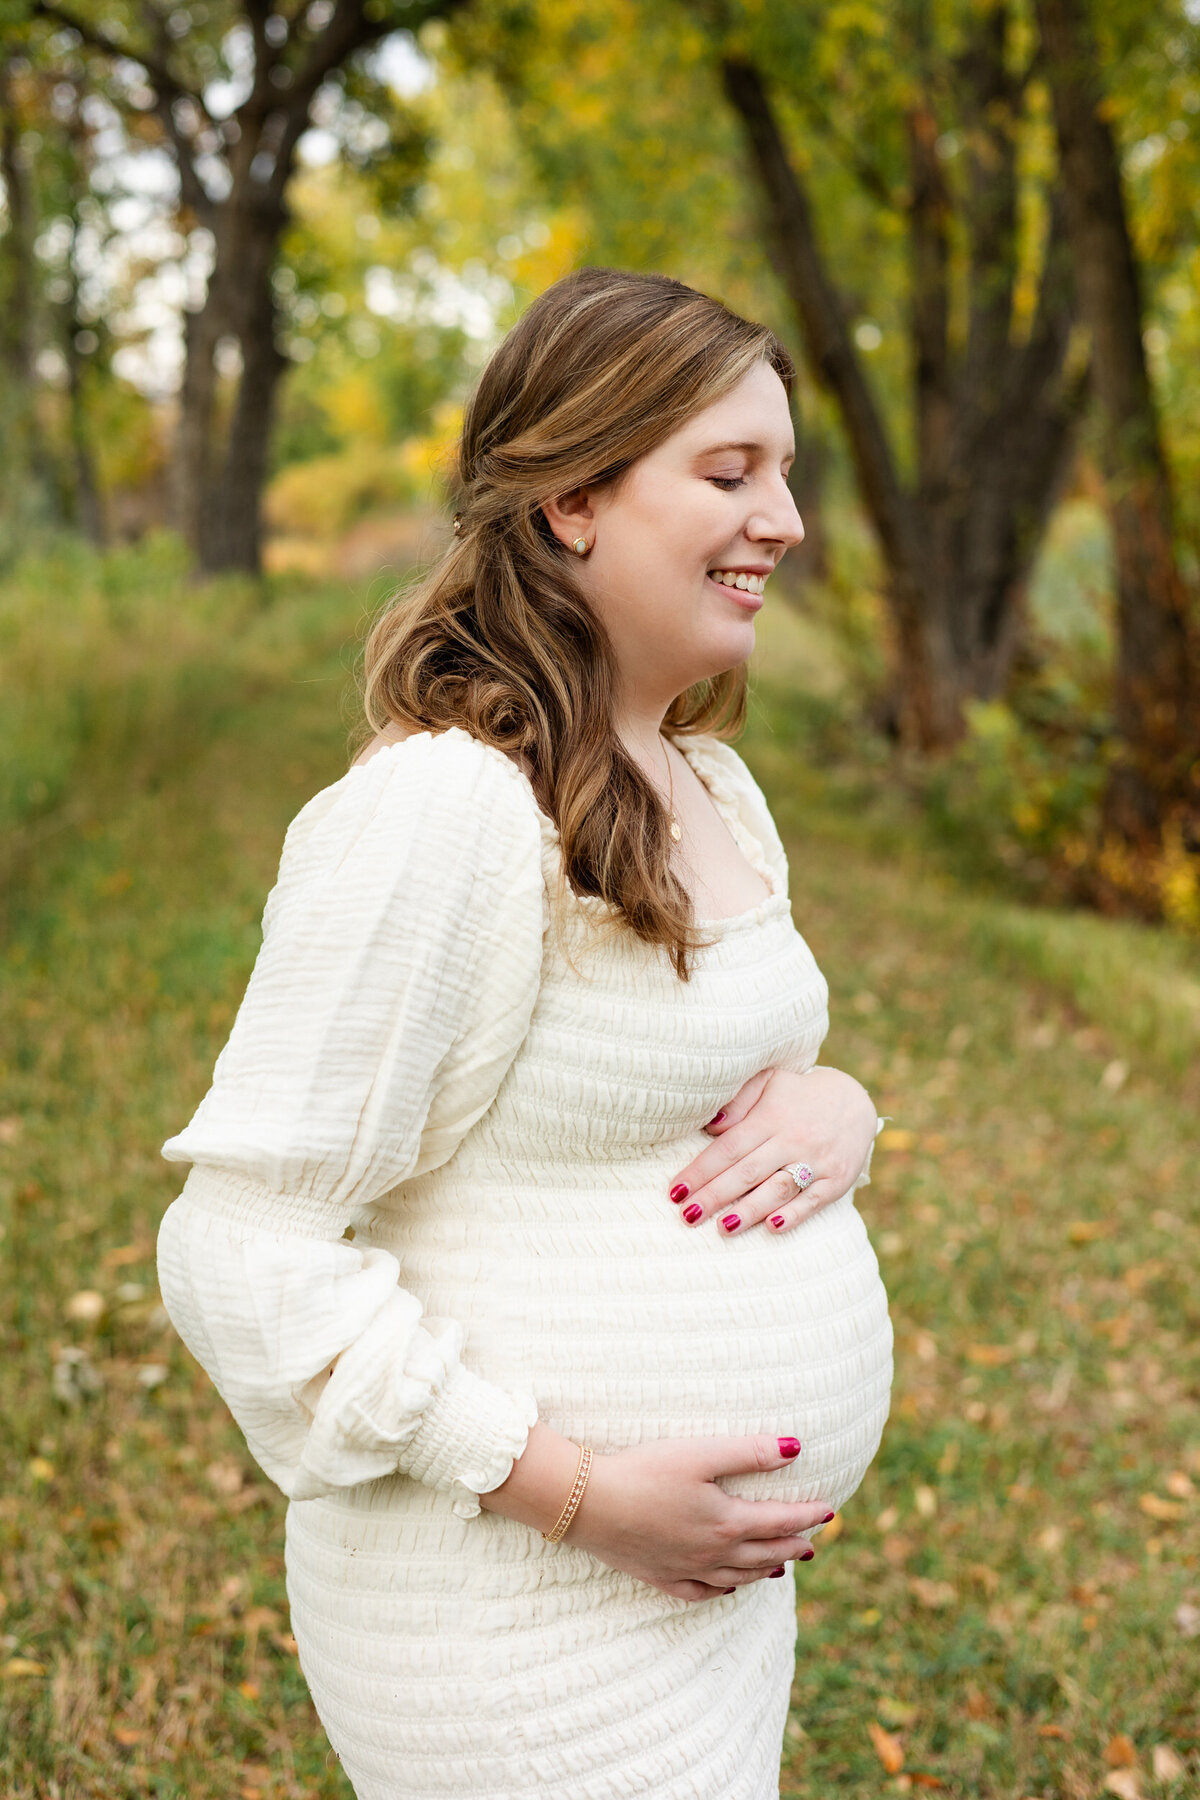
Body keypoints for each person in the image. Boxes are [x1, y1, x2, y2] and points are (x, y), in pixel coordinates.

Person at [156, 266, 893, 1800]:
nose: (787, 521)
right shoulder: (447, 812)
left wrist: (842, 1106)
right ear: (573, 499)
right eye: (731, 473)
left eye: (790, 475)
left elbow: (714, 1072)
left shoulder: (710, 786)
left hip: (708, 1609)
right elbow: (240, 1248)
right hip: (513, 1608)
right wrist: (573, 1496)